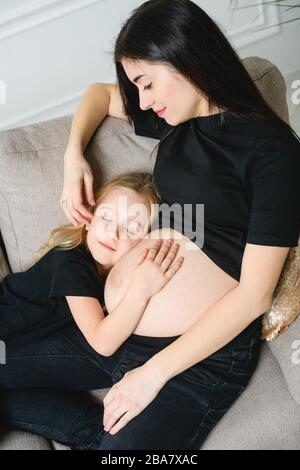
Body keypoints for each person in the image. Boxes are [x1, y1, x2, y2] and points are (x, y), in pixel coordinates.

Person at [1, 0, 299, 450]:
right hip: (121, 330)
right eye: (136, 88)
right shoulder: (174, 124)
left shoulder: (271, 152)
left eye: (146, 83)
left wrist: (152, 374)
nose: (142, 101)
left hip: (196, 359)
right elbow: (97, 95)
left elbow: (255, 295)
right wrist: (72, 157)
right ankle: (91, 433)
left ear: (185, 58)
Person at [0, 171, 183, 352]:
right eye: (107, 217)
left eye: (131, 229)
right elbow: (102, 343)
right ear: (89, 218)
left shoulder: (115, 276)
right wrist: (141, 289)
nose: (113, 234)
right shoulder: (70, 262)